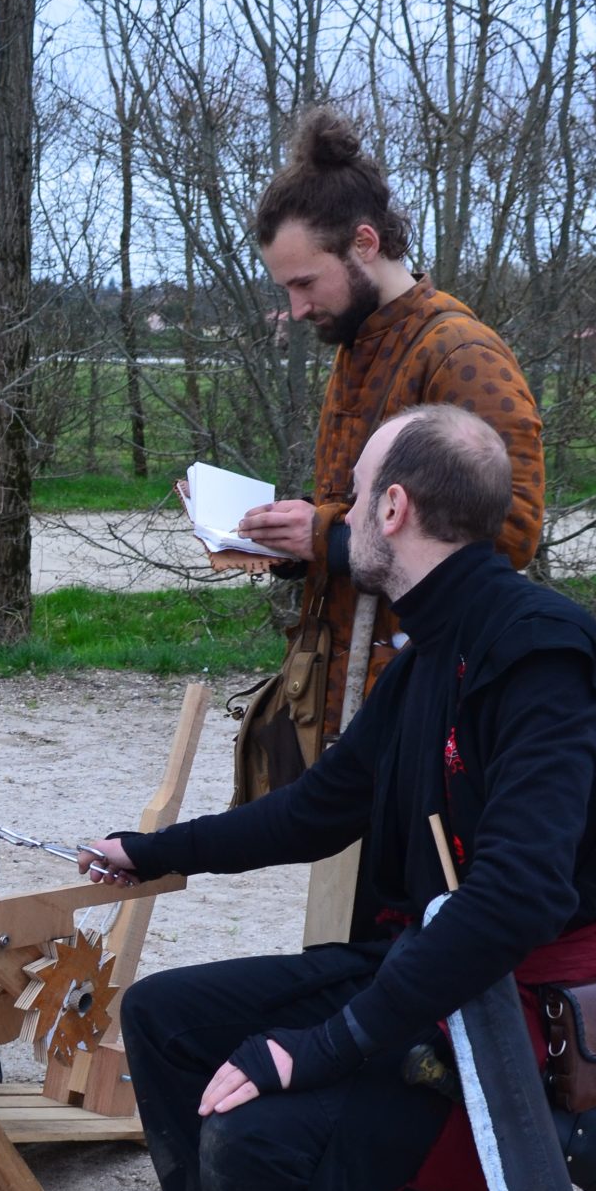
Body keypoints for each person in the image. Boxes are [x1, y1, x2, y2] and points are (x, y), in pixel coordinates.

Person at [80, 406, 596, 1191]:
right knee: (165, 1017)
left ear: (394, 508)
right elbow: (320, 808)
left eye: (353, 493)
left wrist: (322, 1046)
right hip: (437, 965)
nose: (341, 512)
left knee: (258, 1132)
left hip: (524, 1019)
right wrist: (154, 851)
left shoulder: (538, 652)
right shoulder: (427, 650)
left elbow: (517, 898)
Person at [240, 107, 546, 750]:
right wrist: (291, 537)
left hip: (421, 695)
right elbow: (363, 512)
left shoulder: (459, 354)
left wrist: (327, 538)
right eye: (286, 288)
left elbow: (510, 536)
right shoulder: (357, 343)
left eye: (305, 282)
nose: (297, 308)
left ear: (364, 244)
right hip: (343, 690)